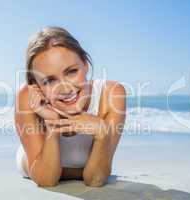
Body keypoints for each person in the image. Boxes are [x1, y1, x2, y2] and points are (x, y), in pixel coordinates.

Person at [14, 26, 126, 187]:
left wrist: (102, 132)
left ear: (85, 64)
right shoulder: (27, 97)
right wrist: (52, 125)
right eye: (50, 81)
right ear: (36, 86)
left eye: (71, 72)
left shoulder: (112, 94)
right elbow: (46, 180)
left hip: (85, 170)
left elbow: (95, 179)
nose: (66, 89)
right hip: (36, 162)